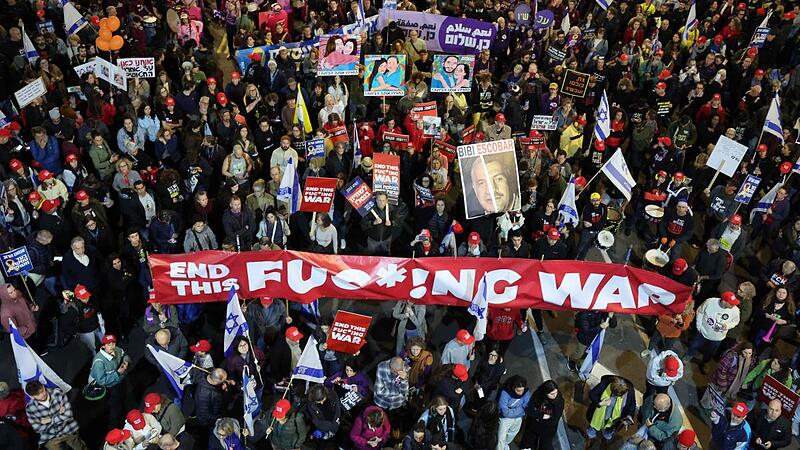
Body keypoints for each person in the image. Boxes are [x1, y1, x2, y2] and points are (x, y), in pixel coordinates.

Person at [686, 291, 741, 371]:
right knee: (694, 345)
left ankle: (705, 363)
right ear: (724, 301)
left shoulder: (735, 310)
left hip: (717, 338)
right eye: (731, 303)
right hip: (703, 332)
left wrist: (728, 326)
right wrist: (699, 327)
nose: (733, 305)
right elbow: (700, 312)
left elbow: (735, 321)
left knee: (710, 352)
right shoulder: (710, 302)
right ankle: (687, 356)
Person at [25, 381, 87, 450]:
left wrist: (49, 420)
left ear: (43, 386)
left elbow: (68, 414)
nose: (42, 395)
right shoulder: (30, 408)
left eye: (42, 391)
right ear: (32, 396)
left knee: (81, 448)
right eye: (37, 394)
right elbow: (37, 428)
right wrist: (59, 415)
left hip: (68, 428)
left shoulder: (57, 393)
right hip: (50, 436)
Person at [586, 376, 637, 443]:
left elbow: (632, 404)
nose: (616, 397)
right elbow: (592, 394)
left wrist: (629, 415)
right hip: (597, 417)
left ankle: (606, 438)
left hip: (614, 422)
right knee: (592, 429)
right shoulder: (605, 383)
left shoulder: (630, 390)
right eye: (615, 394)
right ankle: (591, 436)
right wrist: (600, 403)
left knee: (608, 432)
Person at [519, 380, 564, 450]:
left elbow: (554, 421)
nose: (555, 395)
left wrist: (537, 418)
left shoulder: (559, 402)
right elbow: (530, 409)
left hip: (547, 430)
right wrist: (541, 416)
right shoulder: (537, 395)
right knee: (527, 444)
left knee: (545, 446)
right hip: (533, 426)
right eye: (552, 394)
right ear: (545, 393)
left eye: (556, 392)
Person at [497, 375, 531, 450]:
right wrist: (521, 410)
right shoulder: (505, 393)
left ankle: (505, 444)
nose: (521, 393)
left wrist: (512, 411)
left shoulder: (526, 392)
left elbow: (527, 406)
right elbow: (505, 412)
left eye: (522, 390)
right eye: (518, 390)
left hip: (517, 417)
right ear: (513, 387)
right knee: (501, 438)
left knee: (513, 433)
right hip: (505, 418)